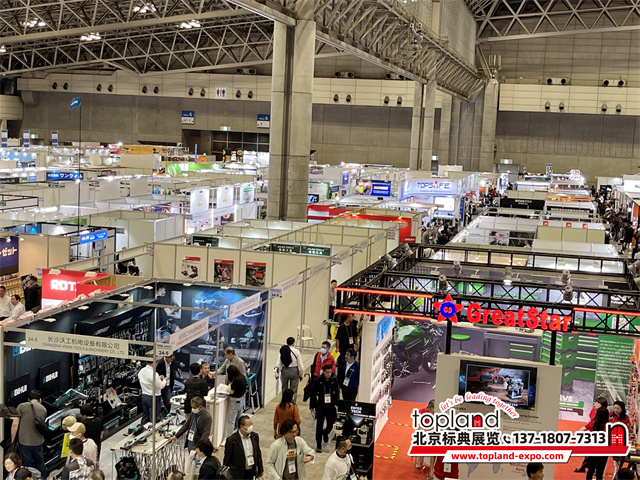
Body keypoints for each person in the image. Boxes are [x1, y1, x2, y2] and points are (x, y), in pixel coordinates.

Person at [11, 389, 47, 478]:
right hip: (38, 441)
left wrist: (12, 440)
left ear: (28, 399)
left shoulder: (21, 406)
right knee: (39, 461)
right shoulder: (43, 409)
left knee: (26, 465)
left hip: (24, 442)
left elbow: (15, 424)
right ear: (40, 399)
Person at [310, 364, 340, 453]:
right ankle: (319, 444)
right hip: (320, 406)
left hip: (331, 406)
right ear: (323, 372)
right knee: (319, 425)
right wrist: (312, 406)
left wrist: (336, 403)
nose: (328, 374)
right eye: (327, 372)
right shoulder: (318, 380)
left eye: (330, 372)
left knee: (331, 423)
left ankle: (326, 432)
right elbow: (313, 394)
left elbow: (337, 393)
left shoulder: (334, 380)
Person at [223, 415, 264, 480]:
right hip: (237, 473)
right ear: (242, 427)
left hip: (250, 471)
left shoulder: (255, 436)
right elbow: (227, 458)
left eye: (251, 424)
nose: (251, 426)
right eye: (249, 425)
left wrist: (260, 469)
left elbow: (258, 453)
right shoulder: (232, 440)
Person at [575, 397, 608, 473]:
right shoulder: (593, 411)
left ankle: (591, 468)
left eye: (598, 402)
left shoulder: (604, 414)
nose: (595, 404)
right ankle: (585, 467)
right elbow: (590, 421)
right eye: (596, 402)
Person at [137, 358, 166, 425]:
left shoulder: (141, 371)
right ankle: (152, 430)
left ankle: (142, 429)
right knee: (154, 417)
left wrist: (157, 378)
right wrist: (164, 380)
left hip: (144, 396)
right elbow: (160, 386)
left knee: (145, 415)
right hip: (154, 397)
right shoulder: (154, 374)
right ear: (153, 363)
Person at [275, 337, 304, 404]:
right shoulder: (296, 351)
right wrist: (301, 374)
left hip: (284, 370)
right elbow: (300, 365)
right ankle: (292, 403)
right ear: (293, 343)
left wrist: (276, 373)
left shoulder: (283, 350)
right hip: (294, 371)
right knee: (294, 389)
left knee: (284, 388)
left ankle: (284, 403)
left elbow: (279, 363)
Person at [584, 407, 609, 480]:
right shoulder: (608, 425)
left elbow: (581, 430)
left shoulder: (592, 423)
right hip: (604, 450)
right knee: (600, 472)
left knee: (590, 469)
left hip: (593, 449)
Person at [224, 365, 247, 439]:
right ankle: (240, 435)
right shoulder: (243, 377)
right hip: (241, 400)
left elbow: (232, 391)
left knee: (231, 420)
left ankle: (228, 437)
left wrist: (228, 389)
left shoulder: (235, 381)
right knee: (239, 420)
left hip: (235, 401)